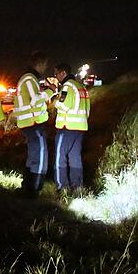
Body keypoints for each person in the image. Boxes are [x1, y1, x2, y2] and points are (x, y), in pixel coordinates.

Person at [15, 51, 55, 197]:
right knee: (40, 154)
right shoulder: (30, 79)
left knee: (33, 155)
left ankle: (27, 186)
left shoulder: (28, 78)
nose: (45, 68)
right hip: (33, 122)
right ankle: (34, 189)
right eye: (45, 64)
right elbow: (35, 100)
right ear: (39, 64)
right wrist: (50, 92)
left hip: (29, 122)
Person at [52, 63, 90, 194]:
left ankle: (62, 187)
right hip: (80, 128)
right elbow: (87, 110)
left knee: (59, 157)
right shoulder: (81, 87)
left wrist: (55, 102)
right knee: (75, 157)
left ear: (63, 73)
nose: (55, 77)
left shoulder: (67, 86)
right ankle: (77, 186)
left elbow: (64, 105)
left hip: (66, 127)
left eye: (56, 74)